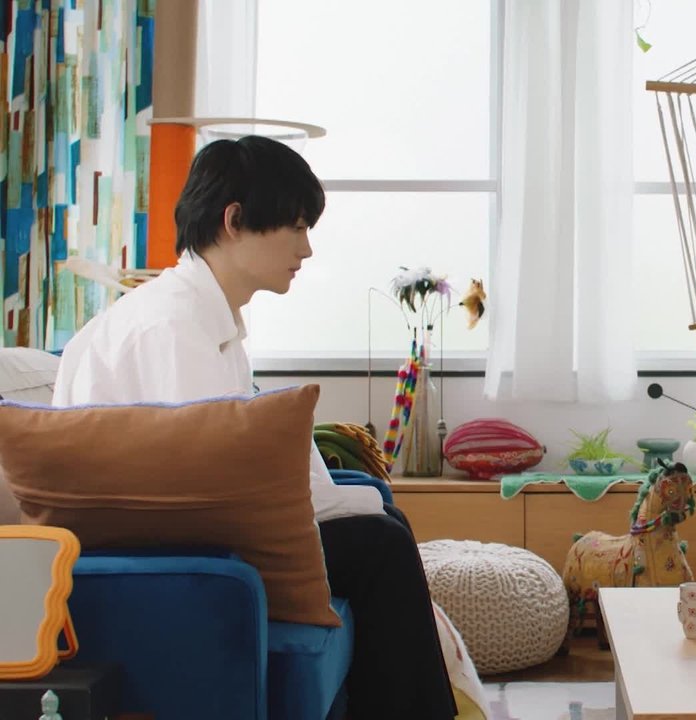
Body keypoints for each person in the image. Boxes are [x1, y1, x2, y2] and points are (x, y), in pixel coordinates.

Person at [53, 136, 458, 719]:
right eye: (296, 227)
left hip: (187, 526)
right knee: (381, 542)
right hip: (166, 548)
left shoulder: (204, 318)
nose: (307, 249)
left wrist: (347, 499)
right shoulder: (170, 328)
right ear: (235, 221)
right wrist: (343, 504)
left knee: (381, 519)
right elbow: (218, 480)